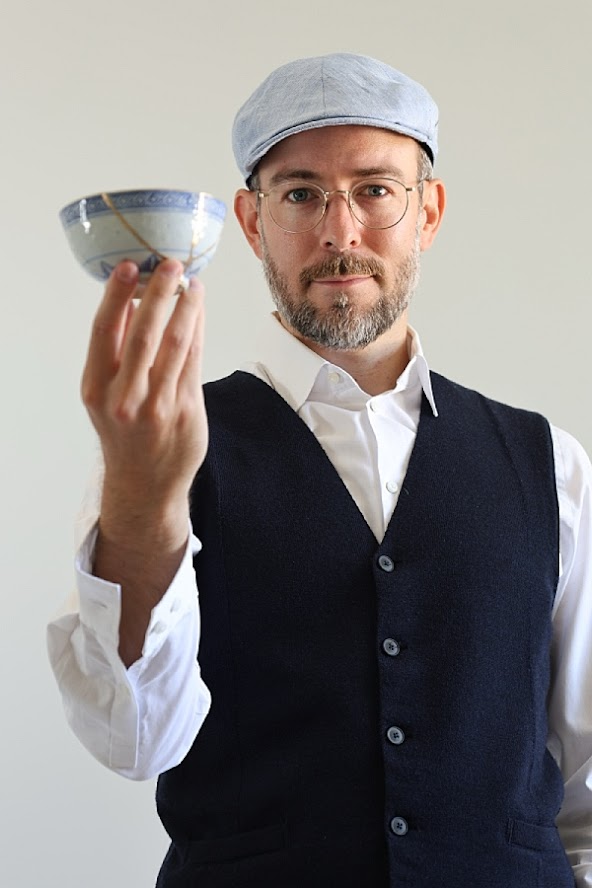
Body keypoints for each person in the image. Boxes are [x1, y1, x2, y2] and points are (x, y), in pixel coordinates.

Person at [48, 53, 592, 888]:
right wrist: (144, 498)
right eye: (301, 194)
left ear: (429, 212)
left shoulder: (547, 463)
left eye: (375, 190)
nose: (341, 232)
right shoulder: (157, 449)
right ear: (252, 221)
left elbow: (586, 779)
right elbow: (133, 742)